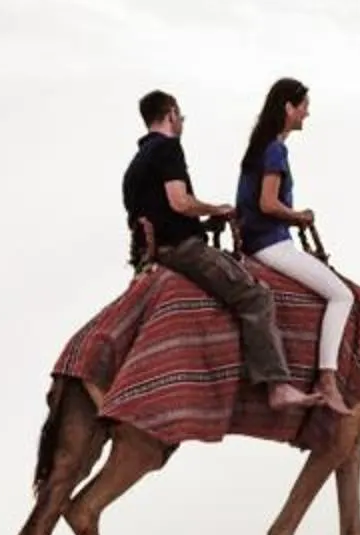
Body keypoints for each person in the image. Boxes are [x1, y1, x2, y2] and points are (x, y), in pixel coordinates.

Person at [121, 90, 307, 410]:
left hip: (150, 254)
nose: (181, 122)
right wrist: (215, 209)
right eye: (180, 116)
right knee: (255, 295)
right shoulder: (168, 149)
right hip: (181, 250)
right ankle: (277, 385)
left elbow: (160, 214)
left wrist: (204, 221)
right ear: (171, 113)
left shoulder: (135, 164)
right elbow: (179, 202)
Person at [235, 77, 353, 415]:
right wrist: (298, 215)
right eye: (303, 107)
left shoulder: (261, 146)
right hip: (271, 244)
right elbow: (268, 203)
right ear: (288, 107)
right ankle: (327, 380)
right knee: (341, 295)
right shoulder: (275, 149)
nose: (307, 114)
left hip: (261, 241)